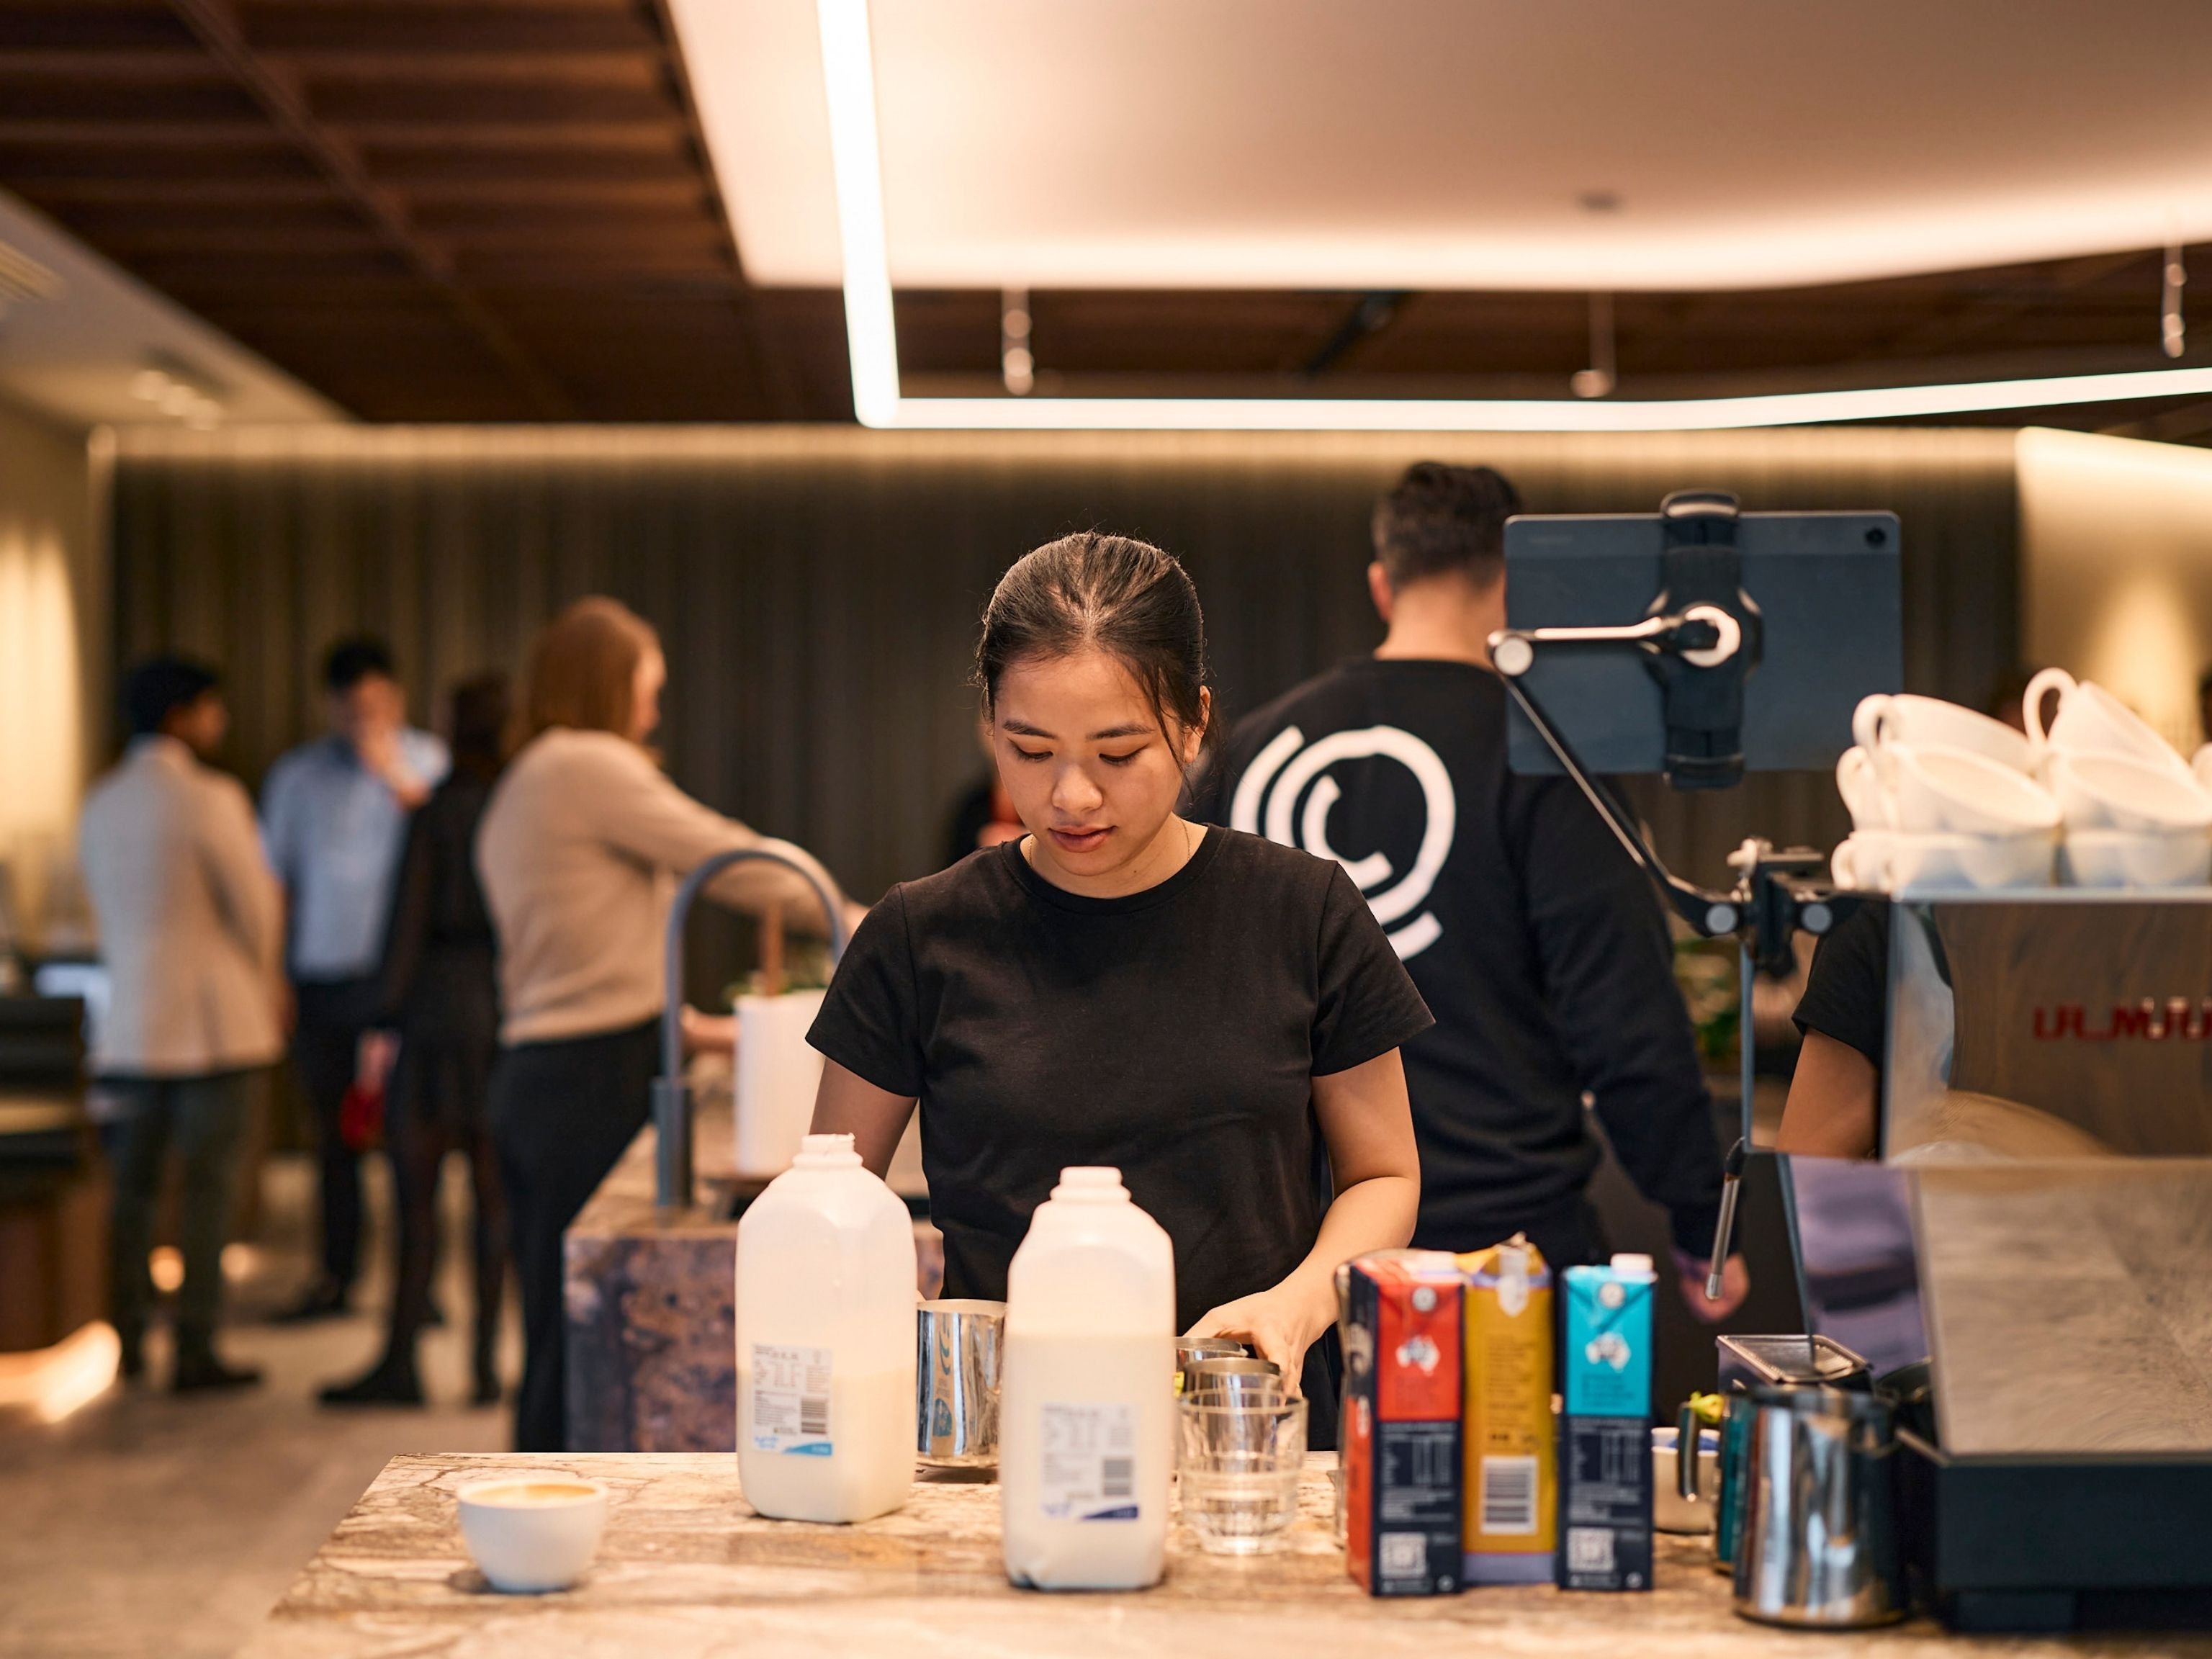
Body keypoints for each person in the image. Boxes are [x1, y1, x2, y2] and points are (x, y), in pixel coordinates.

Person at [808, 533, 1432, 1444]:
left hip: (1244, 1430)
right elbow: (830, 1200)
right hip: (1004, 1443)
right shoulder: (920, 935)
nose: (1073, 796)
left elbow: (1384, 1175)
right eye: (1031, 750)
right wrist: (890, 1328)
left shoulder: (1303, 912)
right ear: (991, 727)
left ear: (1194, 724)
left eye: (1118, 752)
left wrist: (1298, 1303)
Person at [1192, 462, 1747, 1321]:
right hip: (1503, 1260)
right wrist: (1702, 1218)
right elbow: (1626, 1020)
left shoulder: (1250, 750)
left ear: (1383, 586)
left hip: (1289, 1267)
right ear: (1517, 586)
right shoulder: (1549, 761)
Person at [477, 597, 861, 1452]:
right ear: (607, 684)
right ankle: (556, 1497)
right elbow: (728, 859)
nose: (652, 714)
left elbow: (582, 953)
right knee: (580, 1322)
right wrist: (868, 930)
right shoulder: (584, 764)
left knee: (554, 1321)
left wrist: (693, 1028)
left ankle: (545, 1485)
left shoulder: (530, 774)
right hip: (584, 1080)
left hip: (539, 1072)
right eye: (646, 691)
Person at [79, 657, 286, 1390]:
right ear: (182, 716)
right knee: (207, 1191)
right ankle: (195, 1345)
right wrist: (269, 981)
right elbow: (255, 908)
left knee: (131, 1193)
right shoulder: (209, 797)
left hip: (130, 1026)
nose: (219, 722)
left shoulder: (100, 802)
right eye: (211, 708)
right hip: (211, 1027)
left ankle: (129, 1339)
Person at [321, 674, 513, 1409]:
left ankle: (401, 1363)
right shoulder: (515, 812)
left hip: (433, 1020)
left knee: (417, 1208)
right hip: (499, 1017)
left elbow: (404, 926)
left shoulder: (433, 814)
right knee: (494, 1208)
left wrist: (380, 1018)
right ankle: (486, 1368)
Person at [261, 636, 449, 1322]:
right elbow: (275, 884)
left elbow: (448, 849)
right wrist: (273, 977)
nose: (362, 719)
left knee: (409, 1138)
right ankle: (336, 1276)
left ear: (395, 698)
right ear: (330, 706)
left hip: (400, 982)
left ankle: (416, 1289)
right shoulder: (296, 777)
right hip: (321, 979)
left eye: (374, 705)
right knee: (334, 1137)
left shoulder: (429, 763)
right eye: (350, 707)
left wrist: (389, 771)